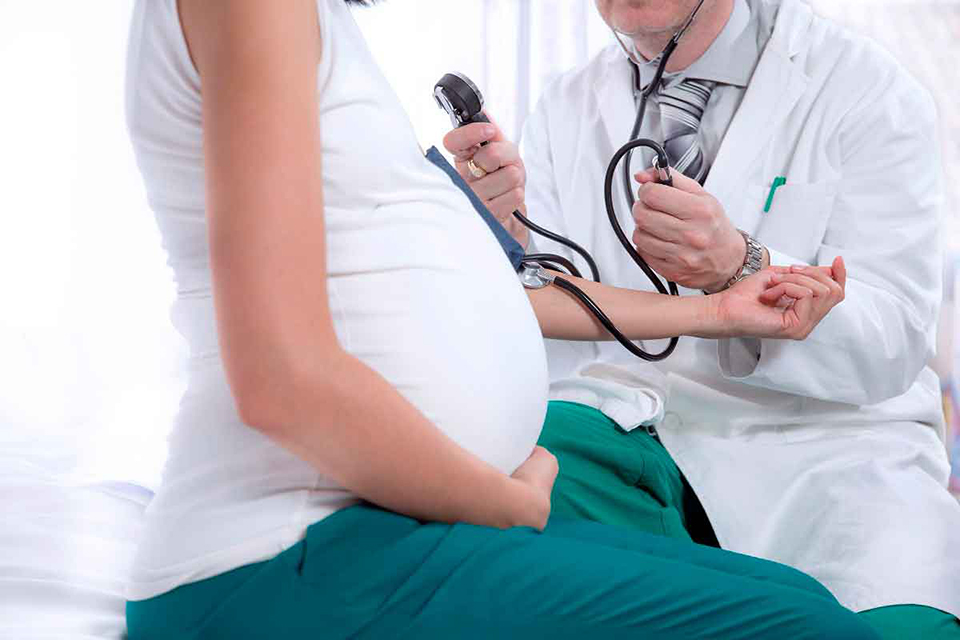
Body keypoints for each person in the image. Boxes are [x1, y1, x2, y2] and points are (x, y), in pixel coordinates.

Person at [120, 0, 878, 638]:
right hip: (288, 552)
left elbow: (481, 293)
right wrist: (502, 499)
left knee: (805, 601)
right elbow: (281, 380)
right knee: (812, 630)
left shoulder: (317, 27)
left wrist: (718, 307)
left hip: (374, 529)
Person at [443, 0, 960, 637]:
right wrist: (505, 239)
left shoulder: (867, 89)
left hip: (825, 461)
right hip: (629, 433)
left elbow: (894, 342)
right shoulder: (564, 106)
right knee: (465, 502)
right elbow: (551, 330)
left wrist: (741, 263)